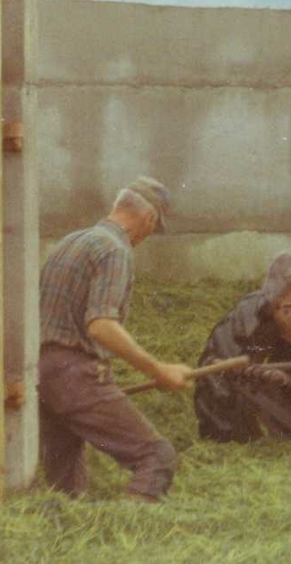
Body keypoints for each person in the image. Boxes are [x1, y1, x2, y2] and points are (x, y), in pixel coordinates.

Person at [37, 176, 193, 502]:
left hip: (42, 375)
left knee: (64, 486)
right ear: (149, 219)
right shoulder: (114, 250)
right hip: (76, 376)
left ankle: (65, 538)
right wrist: (159, 369)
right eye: (154, 228)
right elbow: (101, 326)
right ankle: (129, 528)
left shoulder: (69, 242)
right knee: (156, 456)